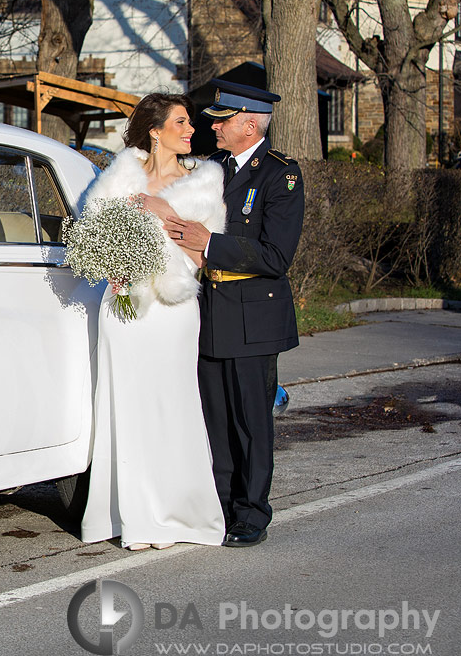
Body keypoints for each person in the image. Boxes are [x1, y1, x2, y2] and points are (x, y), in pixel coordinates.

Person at [80, 93, 227, 551]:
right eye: (181, 123)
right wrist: (112, 262)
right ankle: (126, 514)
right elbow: (89, 233)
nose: (191, 131)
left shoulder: (204, 184)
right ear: (155, 131)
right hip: (123, 308)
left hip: (172, 309)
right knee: (124, 405)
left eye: (190, 124)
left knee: (171, 404)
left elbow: (204, 253)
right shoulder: (120, 177)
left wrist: (163, 216)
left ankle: (176, 515)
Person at [163, 79, 305, 547]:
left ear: (249, 124)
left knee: (251, 421)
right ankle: (220, 507)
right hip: (213, 312)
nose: (214, 128)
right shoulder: (215, 168)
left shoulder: (280, 175)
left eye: (223, 122)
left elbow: (274, 257)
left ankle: (251, 513)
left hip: (253, 317)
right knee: (216, 418)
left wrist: (210, 243)